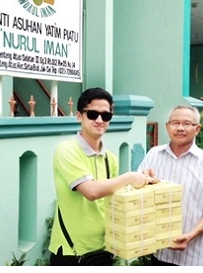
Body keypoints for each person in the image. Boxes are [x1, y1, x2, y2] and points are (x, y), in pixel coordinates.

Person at [49, 87, 153, 265]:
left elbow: (111, 195)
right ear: (79, 116)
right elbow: (91, 192)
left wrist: (144, 181)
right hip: (72, 252)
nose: (99, 120)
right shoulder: (66, 150)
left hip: (103, 250)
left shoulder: (109, 159)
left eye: (105, 116)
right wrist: (129, 177)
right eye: (92, 114)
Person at [138, 105, 203, 266]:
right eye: (175, 122)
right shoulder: (154, 155)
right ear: (167, 127)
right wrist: (145, 180)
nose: (180, 128)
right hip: (160, 254)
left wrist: (189, 236)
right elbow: (138, 190)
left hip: (194, 258)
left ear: (197, 129)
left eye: (187, 123)